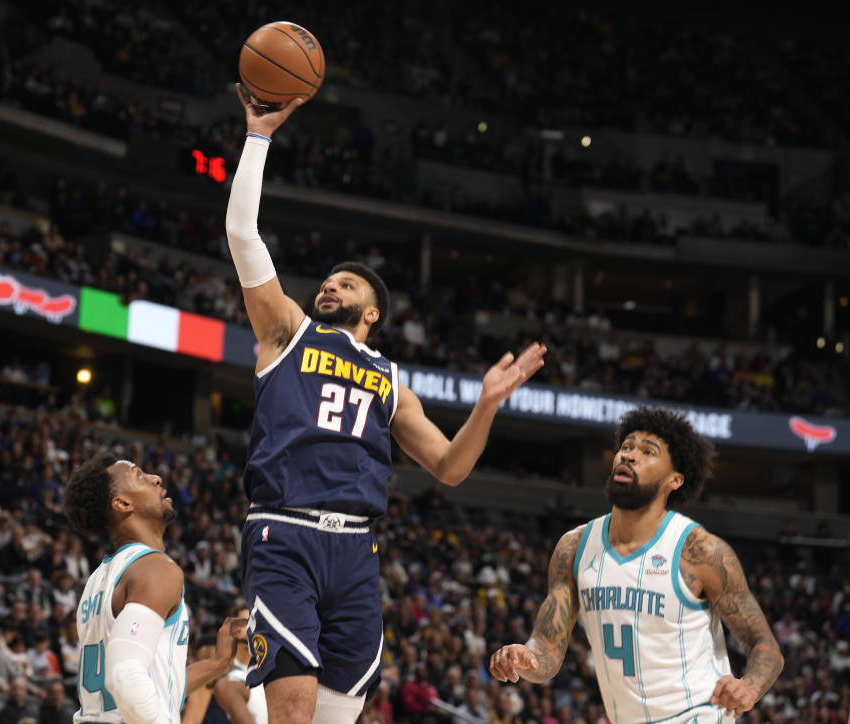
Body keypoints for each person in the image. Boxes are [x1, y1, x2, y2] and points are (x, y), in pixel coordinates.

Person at [225, 85, 547, 724]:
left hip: (356, 553)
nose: (327, 286)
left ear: (370, 311)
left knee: (338, 715)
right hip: (285, 533)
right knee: (289, 713)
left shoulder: (391, 379)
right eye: (326, 280)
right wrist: (257, 137)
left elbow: (451, 468)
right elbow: (241, 233)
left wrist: (486, 404)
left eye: (343, 283)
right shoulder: (288, 331)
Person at [489, 407, 784, 722]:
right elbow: (547, 648)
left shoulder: (700, 552)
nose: (629, 456)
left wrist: (749, 686)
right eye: (626, 447)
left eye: (647, 451)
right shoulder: (574, 548)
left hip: (697, 715)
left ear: (675, 479)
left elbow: (764, 646)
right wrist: (525, 657)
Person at [63, 452, 246, 724]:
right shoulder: (155, 569)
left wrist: (218, 664)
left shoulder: (98, 579)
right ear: (123, 503)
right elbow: (125, 676)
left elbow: (151, 686)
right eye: (139, 475)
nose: (156, 478)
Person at [213, 608, 268, 723]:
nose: (251, 627)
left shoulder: (270, 668)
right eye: (246, 621)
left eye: (254, 621)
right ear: (235, 628)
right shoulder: (228, 678)